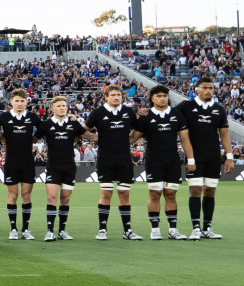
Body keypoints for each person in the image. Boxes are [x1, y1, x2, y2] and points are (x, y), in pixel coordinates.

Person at [175, 77, 235, 240]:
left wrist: (229, 156)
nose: (209, 90)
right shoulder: (186, 107)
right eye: (205, 87)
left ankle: (207, 227)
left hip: (213, 156)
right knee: (195, 190)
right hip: (194, 156)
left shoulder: (219, 109)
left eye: (211, 88)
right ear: (197, 89)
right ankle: (196, 227)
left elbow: (224, 134)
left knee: (210, 191)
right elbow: (170, 117)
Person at [134, 85, 195, 241]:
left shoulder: (177, 114)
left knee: (171, 194)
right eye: (159, 96)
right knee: (154, 194)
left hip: (173, 160)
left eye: (165, 96)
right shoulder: (145, 116)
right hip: (154, 160)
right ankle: (154, 229)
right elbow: (133, 137)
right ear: (152, 98)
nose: (162, 98)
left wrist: (191, 159)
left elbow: (185, 139)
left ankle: (172, 229)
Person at [82, 85, 143, 241]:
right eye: (113, 95)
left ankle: (127, 230)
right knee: (106, 193)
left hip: (124, 159)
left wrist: (131, 139)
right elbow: (83, 129)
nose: (117, 97)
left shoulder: (128, 112)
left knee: (124, 194)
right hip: (105, 159)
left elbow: (138, 129)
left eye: (119, 95)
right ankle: (102, 230)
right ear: (106, 97)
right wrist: (94, 138)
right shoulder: (98, 113)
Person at [0, 89, 41, 241]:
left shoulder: (32, 116)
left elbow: (44, 128)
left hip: (28, 162)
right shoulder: (4, 116)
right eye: (17, 101)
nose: (19, 103)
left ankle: (25, 230)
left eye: (22, 101)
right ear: (11, 102)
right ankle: (13, 229)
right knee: (12, 195)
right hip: (11, 162)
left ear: (26, 102)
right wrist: (2, 137)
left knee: (26, 195)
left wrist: (33, 139)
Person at [37, 96, 84, 242]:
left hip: (69, 167)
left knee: (65, 199)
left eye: (64, 105)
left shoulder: (74, 125)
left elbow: (86, 135)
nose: (62, 108)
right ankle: (49, 231)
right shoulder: (46, 125)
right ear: (53, 109)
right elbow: (32, 139)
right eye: (59, 106)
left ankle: (62, 231)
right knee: (51, 197)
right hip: (53, 166)